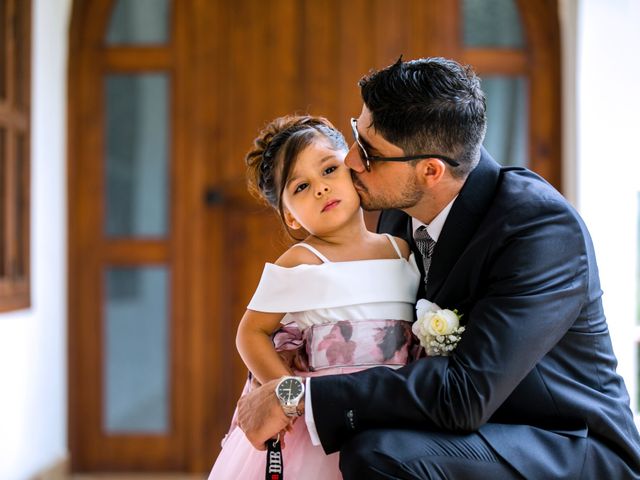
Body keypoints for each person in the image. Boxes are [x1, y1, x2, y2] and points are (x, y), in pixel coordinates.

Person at [237, 57, 640, 479]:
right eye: (357, 136)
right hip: (468, 429)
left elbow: (463, 395)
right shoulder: (398, 215)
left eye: (370, 152)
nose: (351, 161)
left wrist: (298, 394)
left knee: (379, 453)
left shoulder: (539, 230)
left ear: (430, 171)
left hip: (562, 442)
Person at [208, 114, 421, 479]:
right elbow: (251, 333)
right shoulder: (300, 262)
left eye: (328, 170)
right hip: (320, 423)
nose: (321, 188)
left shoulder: (401, 249)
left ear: (353, 171)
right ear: (291, 218)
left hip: (390, 407)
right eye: (301, 188)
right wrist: (286, 394)